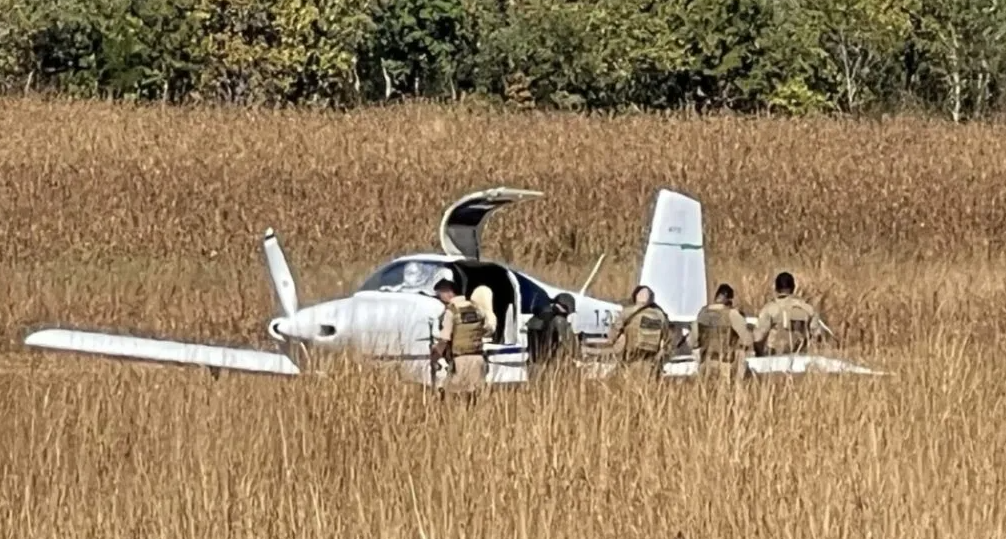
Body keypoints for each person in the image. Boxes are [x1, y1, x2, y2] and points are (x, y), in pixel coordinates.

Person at [430, 278, 488, 403]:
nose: (440, 299)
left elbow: (445, 338)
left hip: (460, 358)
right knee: (473, 396)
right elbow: (485, 328)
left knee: (451, 396)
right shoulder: (476, 308)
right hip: (478, 357)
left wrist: (435, 355)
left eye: (440, 295)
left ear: (448, 292)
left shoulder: (451, 311)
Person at [602, 285, 671, 380]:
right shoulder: (661, 316)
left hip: (630, 359)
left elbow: (613, 335)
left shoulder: (627, 312)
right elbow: (667, 340)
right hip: (651, 361)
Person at [687, 283, 753, 379]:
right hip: (727, 367)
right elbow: (748, 340)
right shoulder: (732, 314)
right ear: (730, 301)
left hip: (706, 365)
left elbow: (691, 342)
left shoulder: (702, 314)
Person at [752, 272, 822, 356]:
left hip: (774, 358)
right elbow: (817, 336)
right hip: (801, 357)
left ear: (776, 288)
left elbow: (758, 337)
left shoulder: (769, 309)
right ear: (793, 287)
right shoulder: (808, 309)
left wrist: (759, 355)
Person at [526, 292, 580, 370]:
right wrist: (578, 356)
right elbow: (570, 345)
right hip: (552, 368)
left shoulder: (536, 319)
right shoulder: (559, 320)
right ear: (565, 308)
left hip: (534, 366)